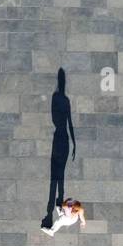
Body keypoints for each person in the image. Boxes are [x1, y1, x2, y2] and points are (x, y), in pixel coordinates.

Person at [42, 68, 77, 229]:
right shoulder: (66, 100)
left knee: (54, 175)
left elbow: (53, 117)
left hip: (57, 137)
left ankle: (53, 207)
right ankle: (59, 203)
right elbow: (69, 123)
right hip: (65, 139)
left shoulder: (55, 98)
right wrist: (75, 143)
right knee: (60, 173)